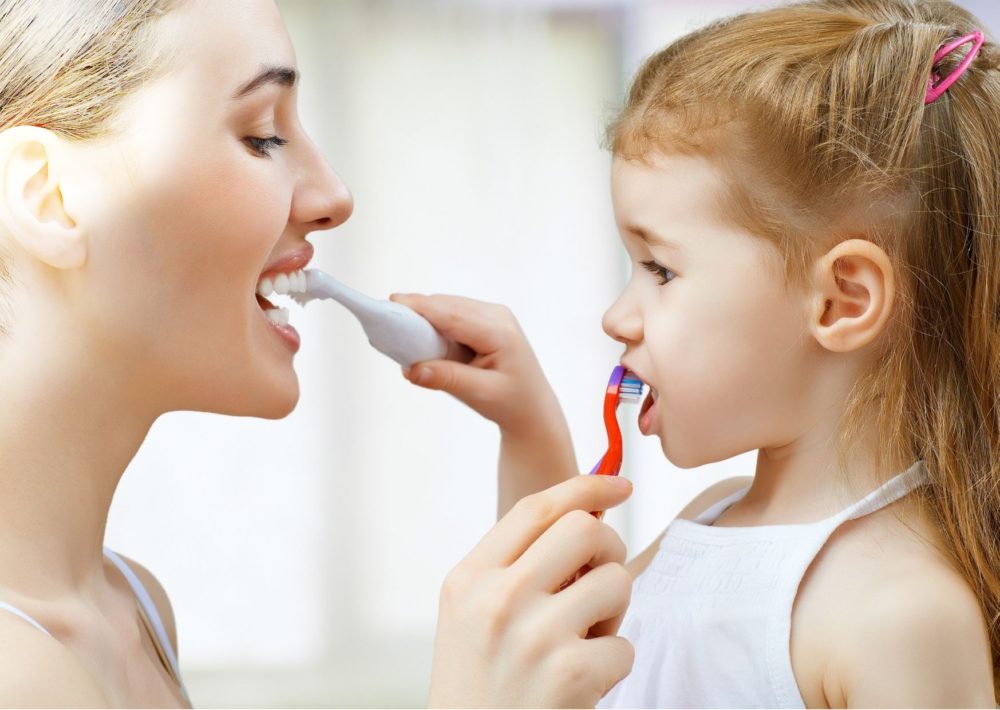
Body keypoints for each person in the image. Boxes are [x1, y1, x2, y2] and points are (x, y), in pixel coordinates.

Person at [0, 0, 635, 706]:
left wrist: (530, 434)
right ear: (48, 195)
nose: (334, 195)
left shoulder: (131, 608)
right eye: (261, 134)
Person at [395, 0, 1000, 705]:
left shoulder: (897, 614)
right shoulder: (711, 519)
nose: (617, 317)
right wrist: (528, 425)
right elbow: (550, 654)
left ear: (842, 301)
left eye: (660, 270)